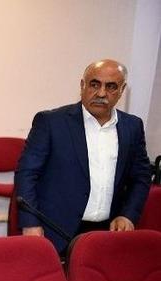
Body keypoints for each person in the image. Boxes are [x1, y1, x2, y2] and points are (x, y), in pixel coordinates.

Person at [15, 59, 151, 254]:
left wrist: (128, 215)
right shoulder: (51, 122)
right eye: (95, 84)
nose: (102, 93)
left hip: (108, 233)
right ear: (82, 85)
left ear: (121, 90)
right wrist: (30, 223)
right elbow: (26, 173)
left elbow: (141, 176)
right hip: (54, 231)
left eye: (111, 87)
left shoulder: (133, 126)